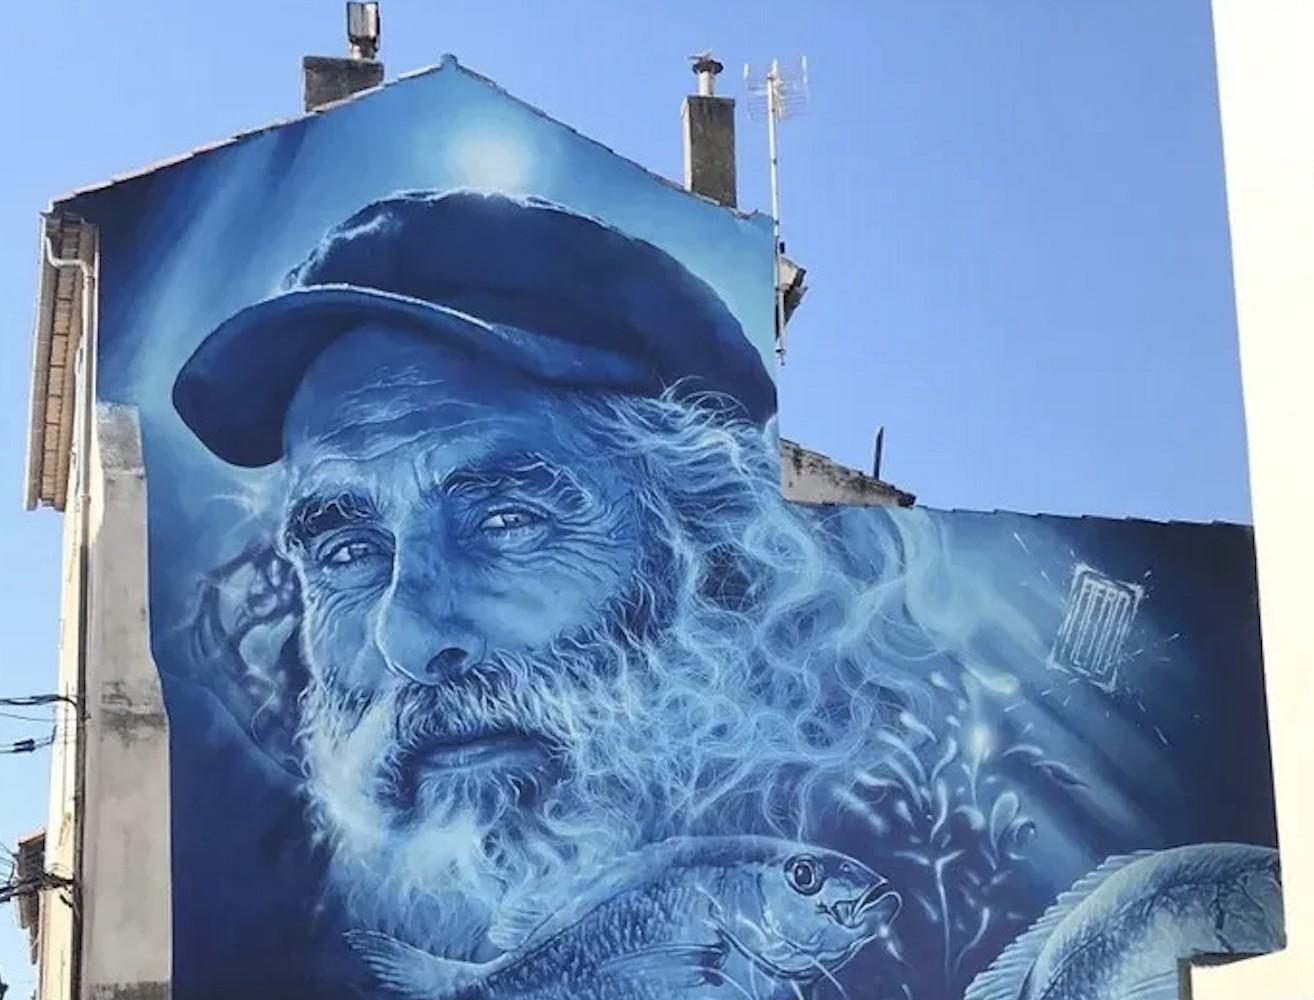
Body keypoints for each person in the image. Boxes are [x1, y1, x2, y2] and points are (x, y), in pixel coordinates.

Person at [173, 190, 922, 957]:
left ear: (723, 560)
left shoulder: (918, 881)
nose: (409, 636)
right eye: (347, 552)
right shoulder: (268, 976)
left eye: (508, 521)